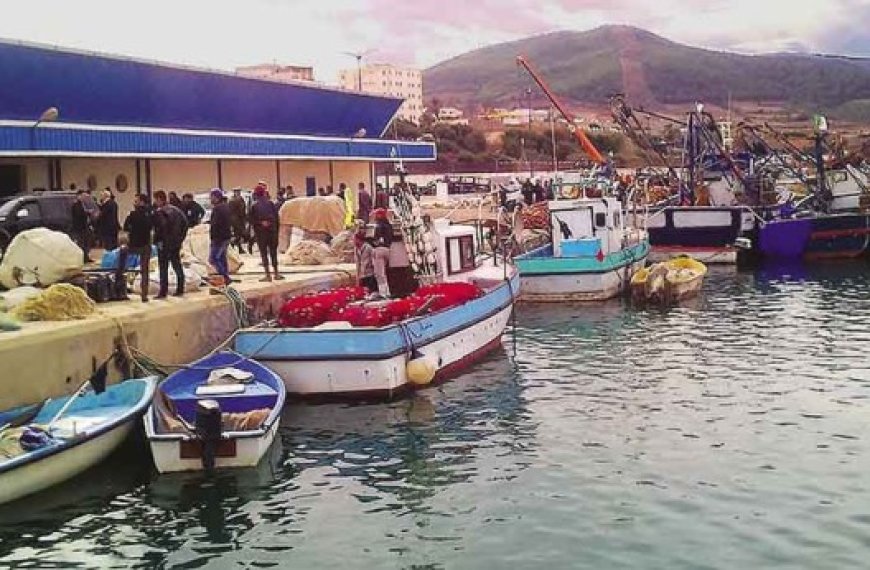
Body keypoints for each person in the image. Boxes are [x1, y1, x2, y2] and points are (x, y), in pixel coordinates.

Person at [152, 190, 188, 298]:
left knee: (163, 268)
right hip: (175, 243)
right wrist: (180, 239)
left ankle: (163, 291)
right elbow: (185, 224)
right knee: (177, 265)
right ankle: (180, 288)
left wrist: (157, 241)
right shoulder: (177, 210)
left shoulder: (160, 212)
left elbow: (160, 229)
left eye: (155, 199)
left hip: (163, 244)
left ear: (159, 199)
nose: (155, 202)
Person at [249, 183, 284, 282]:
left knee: (264, 253)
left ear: (256, 194)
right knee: (273, 253)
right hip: (272, 232)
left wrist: (260, 223)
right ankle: (276, 273)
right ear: (264, 193)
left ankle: (268, 275)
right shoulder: (271, 204)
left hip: (261, 234)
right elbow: (277, 219)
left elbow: (250, 220)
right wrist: (275, 230)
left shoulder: (254, 206)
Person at [123, 193, 154, 302]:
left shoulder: (132, 215)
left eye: (136, 201)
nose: (134, 203)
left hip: (134, 245)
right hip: (146, 245)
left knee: (122, 264)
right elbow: (152, 228)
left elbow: (125, 228)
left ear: (141, 202)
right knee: (145, 271)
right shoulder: (150, 214)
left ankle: (120, 289)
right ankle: (144, 295)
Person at [208, 188, 232, 285]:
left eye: (212, 197)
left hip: (219, 238)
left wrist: (214, 238)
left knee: (213, 258)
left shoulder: (218, 208)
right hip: (226, 237)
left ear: (216, 197)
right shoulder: (226, 207)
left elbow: (216, 225)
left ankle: (225, 277)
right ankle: (226, 276)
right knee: (222, 258)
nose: (211, 199)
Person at [371, 208, 392, 298]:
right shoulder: (389, 225)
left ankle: (383, 292)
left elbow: (377, 239)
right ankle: (387, 291)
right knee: (385, 272)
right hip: (388, 249)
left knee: (379, 273)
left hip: (379, 250)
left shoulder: (378, 226)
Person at [71, 190, 93, 263]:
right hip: (79, 227)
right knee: (81, 244)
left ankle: (86, 257)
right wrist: (86, 213)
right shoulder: (76, 205)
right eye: (82, 196)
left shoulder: (83, 204)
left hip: (85, 226)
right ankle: (82, 258)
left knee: (87, 242)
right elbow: (78, 215)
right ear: (79, 196)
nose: (84, 197)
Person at [228, 187, 250, 254]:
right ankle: (234, 246)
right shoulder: (238, 200)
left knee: (237, 234)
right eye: (237, 191)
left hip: (233, 219)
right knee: (239, 234)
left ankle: (237, 247)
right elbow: (241, 211)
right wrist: (245, 218)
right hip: (238, 220)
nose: (238, 193)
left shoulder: (231, 200)